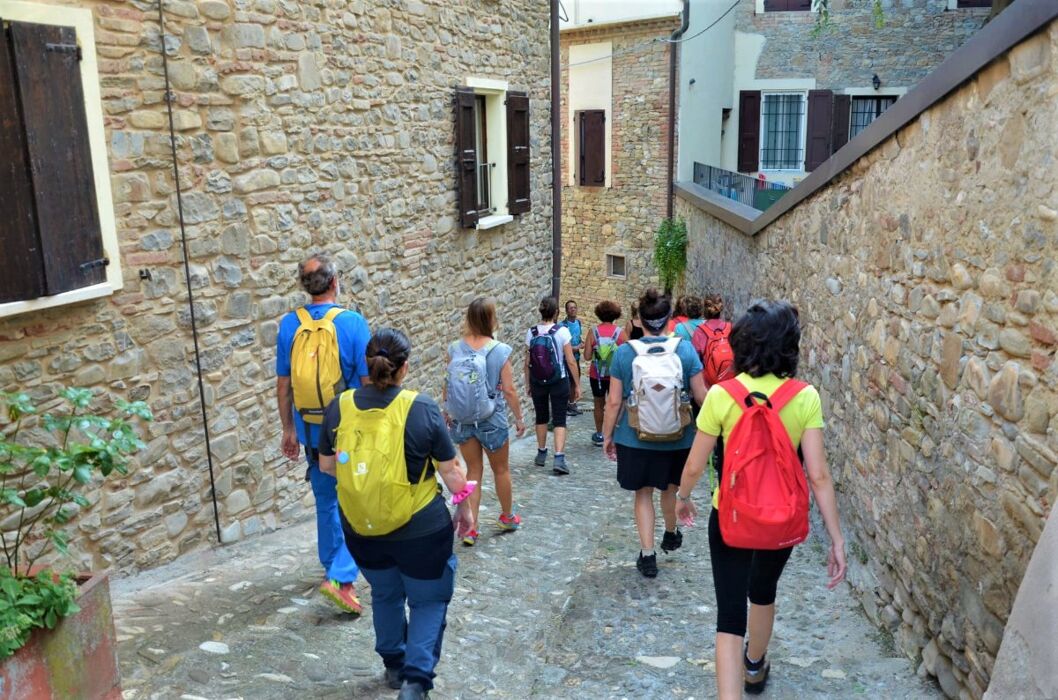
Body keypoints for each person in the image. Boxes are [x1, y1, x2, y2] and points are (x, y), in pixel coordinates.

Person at [674, 301, 847, 698]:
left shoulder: (722, 395)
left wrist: (683, 497)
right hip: (780, 519)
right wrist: (836, 539)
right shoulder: (805, 397)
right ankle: (754, 665)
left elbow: (696, 465)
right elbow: (818, 475)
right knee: (763, 591)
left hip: (730, 516)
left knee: (729, 614)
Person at [318, 328, 474, 700]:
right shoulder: (419, 407)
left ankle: (393, 665)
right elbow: (452, 472)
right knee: (428, 599)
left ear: (368, 367)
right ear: (403, 368)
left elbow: (326, 465)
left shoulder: (340, 405)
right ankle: (415, 681)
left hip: (362, 527)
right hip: (420, 527)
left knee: (385, 593)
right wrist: (465, 510)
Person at [276, 254, 369, 614]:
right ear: (335, 282)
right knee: (359, 507)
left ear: (304, 287)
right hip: (346, 430)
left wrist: (288, 429)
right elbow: (365, 384)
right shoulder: (352, 323)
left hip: (311, 432)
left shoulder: (289, 325)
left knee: (326, 502)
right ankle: (342, 578)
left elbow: (283, 385)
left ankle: (331, 567)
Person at [602, 288, 705, 578]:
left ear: (639, 321)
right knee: (670, 488)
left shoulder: (624, 353)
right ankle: (671, 533)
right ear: (669, 319)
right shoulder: (685, 350)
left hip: (635, 437)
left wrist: (608, 435)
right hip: (679, 436)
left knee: (643, 493)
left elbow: (613, 402)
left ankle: (648, 555)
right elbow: (700, 396)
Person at [443, 298, 527, 546]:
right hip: (492, 419)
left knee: (473, 471)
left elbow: (447, 384)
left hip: (463, 420)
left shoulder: (455, 349)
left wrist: (448, 410)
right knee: (501, 469)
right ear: (492, 319)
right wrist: (520, 419)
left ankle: (471, 527)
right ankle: (507, 517)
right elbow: (509, 390)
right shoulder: (500, 350)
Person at [526, 296, 581, 475]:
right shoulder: (562, 331)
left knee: (541, 416)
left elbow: (527, 362)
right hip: (559, 380)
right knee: (559, 419)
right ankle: (559, 457)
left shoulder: (532, 332)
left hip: (537, 381)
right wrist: (578, 385)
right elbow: (571, 361)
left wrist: (528, 383)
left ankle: (541, 453)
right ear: (556, 312)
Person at [583, 300, 624, 446]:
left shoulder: (593, 332)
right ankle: (612, 434)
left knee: (598, 404)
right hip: (615, 375)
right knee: (615, 403)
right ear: (615, 315)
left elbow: (587, 356)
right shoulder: (620, 333)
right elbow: (625, 355)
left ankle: (600, 434)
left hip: (597, 375)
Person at [559, 300, 584, 416]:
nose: (573, 309)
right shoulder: (562, 325)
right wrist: (576, 347)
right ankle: (565, 406)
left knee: (575, 380)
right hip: (565, 359)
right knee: (567, 382)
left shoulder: (578, 323)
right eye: (570, 308)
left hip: (576, 357)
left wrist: (582, 344)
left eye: (575, 307)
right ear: (566, 310)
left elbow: (578, 338)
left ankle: (572, 404)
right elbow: (562, 346)